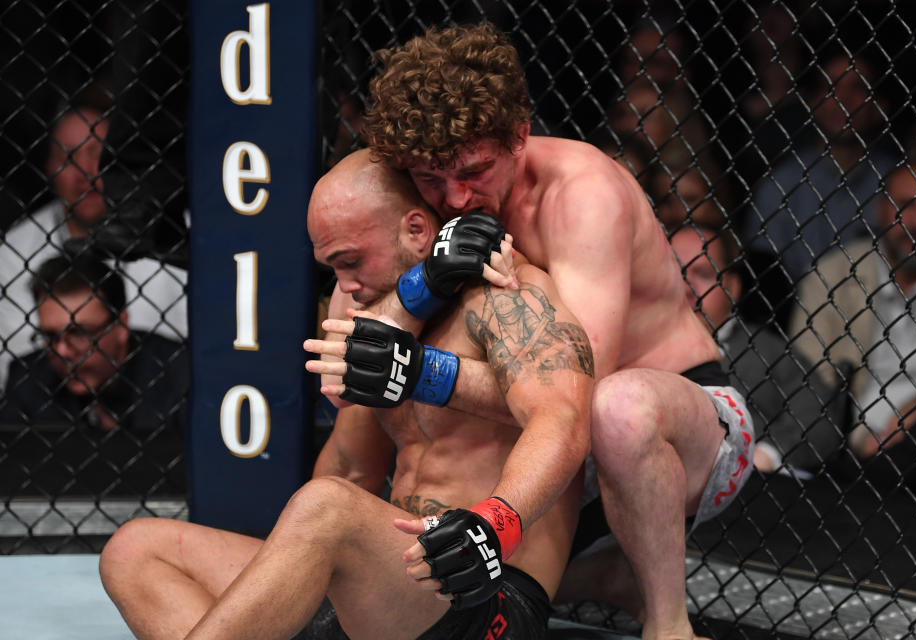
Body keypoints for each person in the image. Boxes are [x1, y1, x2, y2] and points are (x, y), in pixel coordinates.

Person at [361, 23, 756, 638]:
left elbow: (574, 386)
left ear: (520, 135)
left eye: (473, 170)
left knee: (614, 407)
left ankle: (669, 625)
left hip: (681, 422)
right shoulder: (426, 202)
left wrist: (417, 371)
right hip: (553, 446)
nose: (456, 197)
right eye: (432, 180)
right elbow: (354, 316)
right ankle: (598, 581)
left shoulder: (581, 194)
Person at [99, 149, 594, 639]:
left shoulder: (505, 293)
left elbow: (563, 419)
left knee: (327, 507)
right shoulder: (379, 313)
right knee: (135, 547)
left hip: (480, 590)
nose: (346, 285)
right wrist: (284, 581)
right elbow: (350, 466)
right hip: (390, 590)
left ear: (417, 230)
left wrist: (494, 524)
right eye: (331, 269)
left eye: (352, 261)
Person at [789, 162, 916, 504]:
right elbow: (808, 377)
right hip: (850, 444)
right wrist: (861, 437)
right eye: (906, 206)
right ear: (882, 209)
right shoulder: (833, 275)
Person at [0, 106, 189, 390]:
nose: (84, 173)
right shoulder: (13, 251)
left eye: (96, 155)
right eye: (68, 158)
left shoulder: (177, 236)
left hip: (163, 398)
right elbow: (15, 357)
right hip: (56, 406)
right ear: (49, 169)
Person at [0, 254, 188, 495]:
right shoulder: (28, 379)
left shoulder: (178, 373)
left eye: (79, 333)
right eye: (50, 336)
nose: (62, 350)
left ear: (120, 326)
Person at [669, 223, 841, 477]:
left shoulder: (767, 351)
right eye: (674, 273)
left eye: (702, 274)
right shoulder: (633, 344)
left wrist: (767, 455)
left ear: (732, 287)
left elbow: (821, 417)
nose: (686, 288)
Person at [743, 51, 898, 327]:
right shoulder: (780, 183)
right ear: (814, 102)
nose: (843, 99)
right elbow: (764, 278)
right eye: (831, 88)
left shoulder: (899, 182)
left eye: (857, 87)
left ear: (879, 105)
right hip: (794, 321)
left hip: (886, 319)